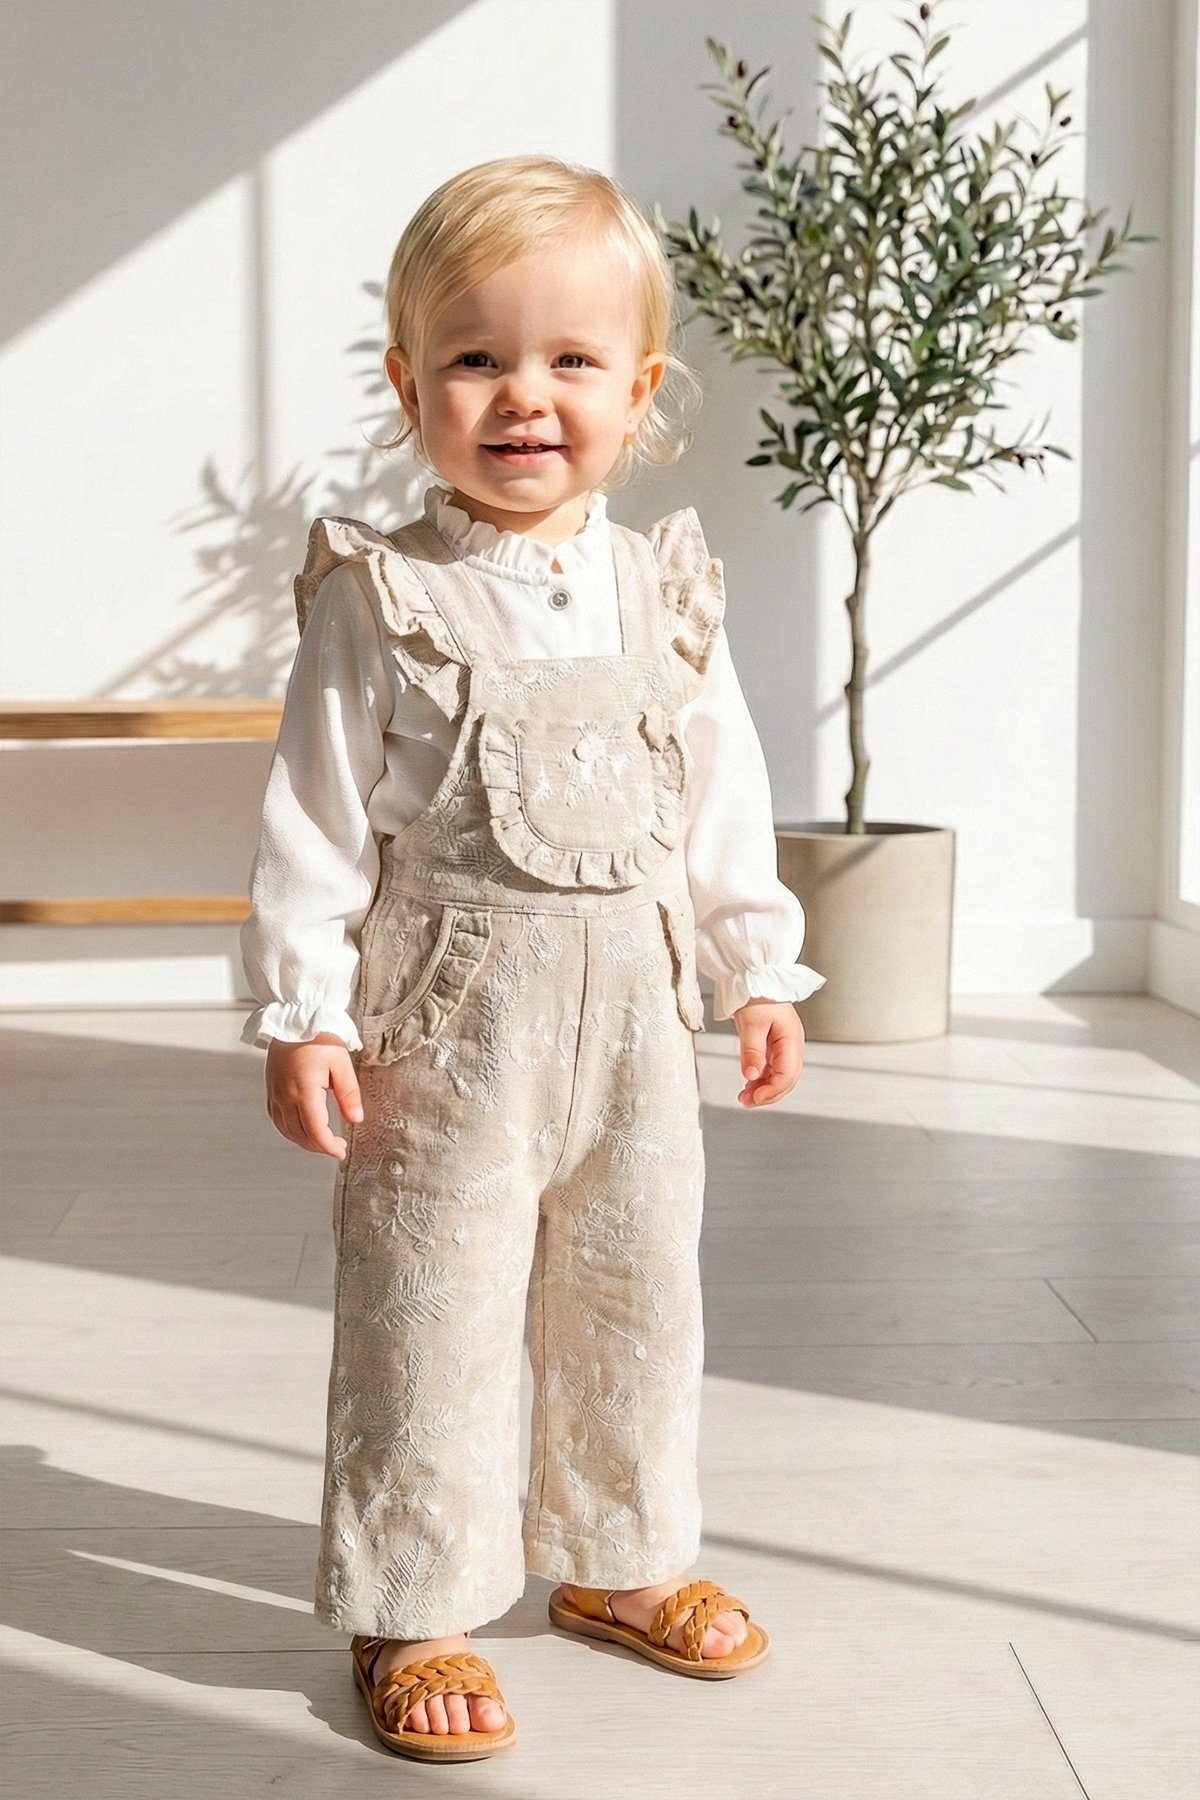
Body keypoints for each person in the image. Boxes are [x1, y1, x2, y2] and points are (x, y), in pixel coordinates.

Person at [239, 153, 825, 1764]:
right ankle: (414, 1599)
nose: (523, 396)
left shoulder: (663, 590)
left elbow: (720, 790)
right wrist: (303, 1010)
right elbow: (313, 819)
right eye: (476, 358)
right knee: (430, 1306)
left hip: (635, 1027)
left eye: (571, 359)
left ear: (639, 389)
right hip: (446, 1033)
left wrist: (755, 964)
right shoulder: (385, 598)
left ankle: (621, 1561)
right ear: (407, 383)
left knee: (634, 1292)